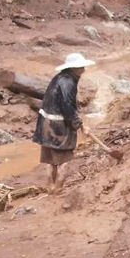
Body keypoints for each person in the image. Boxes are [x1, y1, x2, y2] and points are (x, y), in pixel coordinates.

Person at [32, 52, 95, 193]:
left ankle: (50, 188)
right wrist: (81, 125)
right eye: (81, 67)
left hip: (45, 123)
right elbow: (68, 108)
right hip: (58, 127)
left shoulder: (57, 78)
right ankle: (58, 191)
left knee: (50, 160)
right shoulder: (69, 83)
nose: (83, 70)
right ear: (74, 68)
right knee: (65, 159)